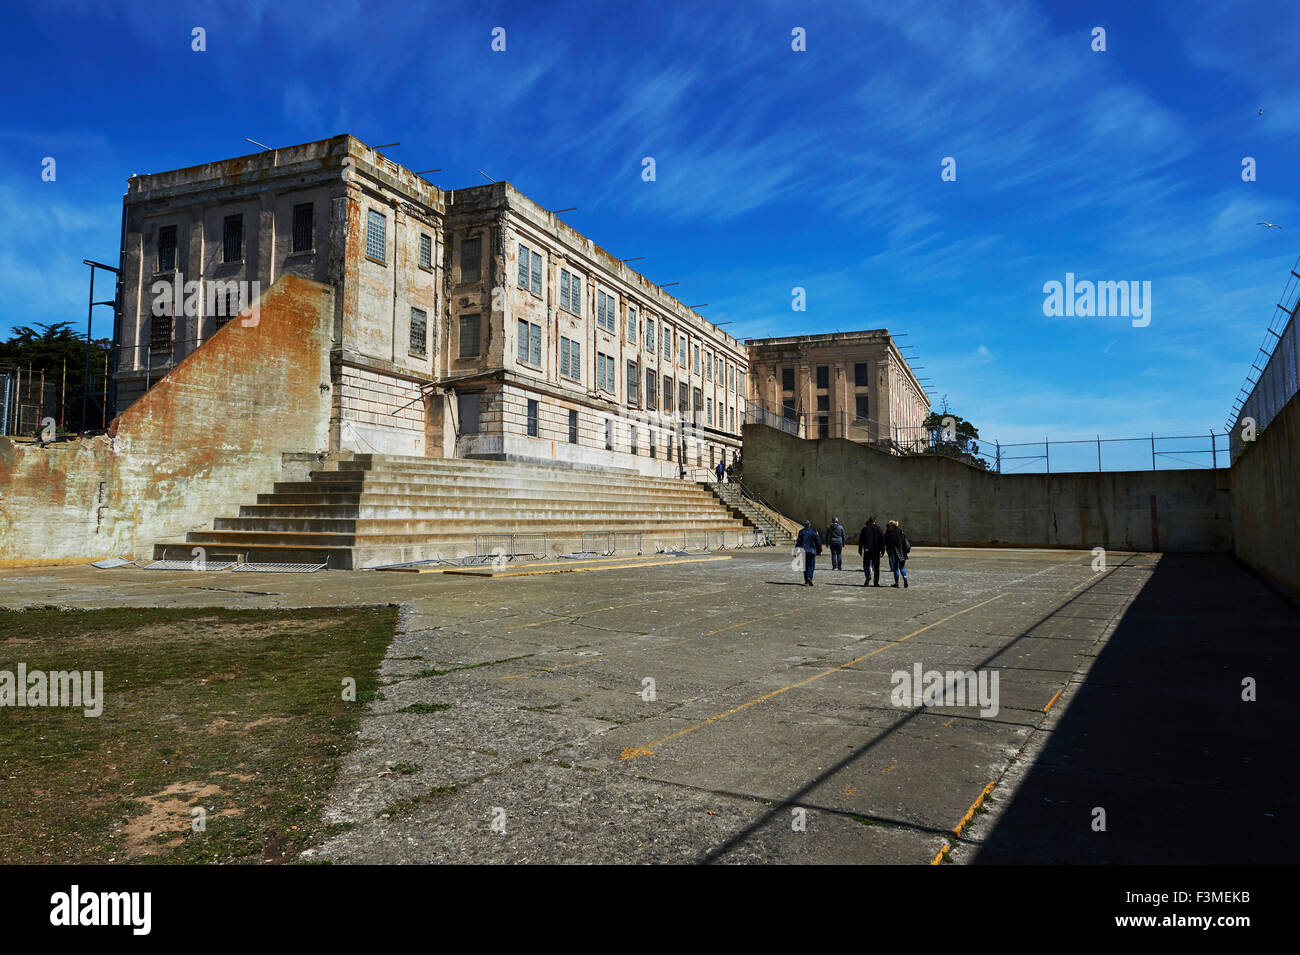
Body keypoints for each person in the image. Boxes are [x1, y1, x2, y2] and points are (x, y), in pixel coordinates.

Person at [858, 516, 884, 587]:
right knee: (876, 567)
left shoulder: (865, 529)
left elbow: (861, 541)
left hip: (867, 550)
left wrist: (860, 550)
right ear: (875, 521)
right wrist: (883, 550)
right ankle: (876, 582)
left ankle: (868, 575)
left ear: (869, 521)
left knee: (866, 565)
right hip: (876, 550)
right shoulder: (879, 529)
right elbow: (882, 540)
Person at [795, 520, 822, 586]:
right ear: (810, 525)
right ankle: (810, 577)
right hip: (812, 551)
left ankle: (806, 579)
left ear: (804, 525)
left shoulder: (801, 532)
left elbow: (798, 542)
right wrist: (819, 551)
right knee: (811, 565)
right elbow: (818, 542)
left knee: (804, 566)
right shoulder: (813, 532)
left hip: (803, 550)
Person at [885, 519, 910, 588]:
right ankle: (905, 579)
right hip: (902, 552)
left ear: (892, 526)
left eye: (889, 526)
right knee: (902, 568)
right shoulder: (901, 532)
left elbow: (888, 543)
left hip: (895, 552)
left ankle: (896, 583)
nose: (888, 527)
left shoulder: (890, 533)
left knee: (896, 568)